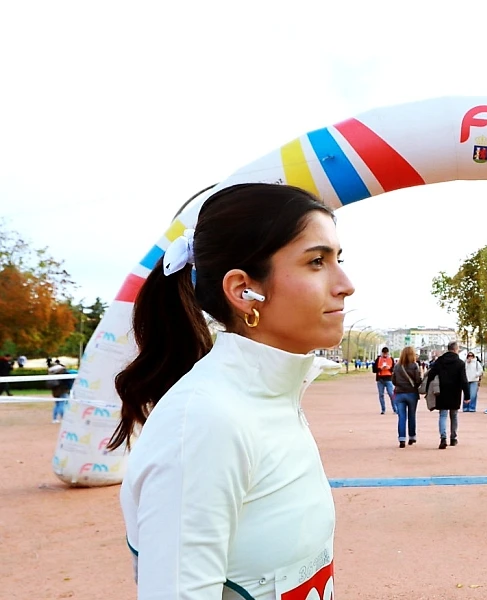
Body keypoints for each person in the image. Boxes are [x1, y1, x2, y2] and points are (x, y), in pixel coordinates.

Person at [110, 183, 354, 599]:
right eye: (317, 262)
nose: (345, 284)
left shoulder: (271, 397)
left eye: (338, 260)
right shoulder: (205, 420)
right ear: (244, 291)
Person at [425, 341, 469, 449]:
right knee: (454, 416)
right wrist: (467, 395)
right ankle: (453, 438)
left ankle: (443, 438)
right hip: (455, 392)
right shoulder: (460, 363)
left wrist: (427, 389)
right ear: (455, 349)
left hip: (442, 391)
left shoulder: (440, 361)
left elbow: (431, 374)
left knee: (443, 415)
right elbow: (464, 380)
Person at [392, 346, 423, 448]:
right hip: (411, 393)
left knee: (401, 417)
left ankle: (401, 439)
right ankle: (412, 437)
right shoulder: (414, 365)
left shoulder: (397, 366)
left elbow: (394, 381)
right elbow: (418, 380)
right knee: (412, 416)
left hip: (400, 393)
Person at [371, 346, 397, 415]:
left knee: (391, 394)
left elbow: (394, 369)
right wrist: (380, 368)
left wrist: (389, 368)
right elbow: (374, 370)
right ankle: (383, 409)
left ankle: (395, 409)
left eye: (386, 354)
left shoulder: (391, 359)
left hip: (389, 379)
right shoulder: (378, 359)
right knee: (381, 395)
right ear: (382, 353)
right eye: (384, 354)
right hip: (380, 379)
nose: (385, 355)